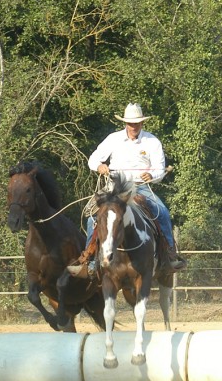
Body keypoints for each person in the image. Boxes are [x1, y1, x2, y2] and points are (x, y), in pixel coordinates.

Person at [74, 103, 186, 274]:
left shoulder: (152, 141)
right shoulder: (113, 139)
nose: (134, 126)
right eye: (130, 123)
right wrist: (99, 166)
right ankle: (89, 259)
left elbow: (159, 168)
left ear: (142, 123)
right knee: (92, 218)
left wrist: (152, 175)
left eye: (137, 123)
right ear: (125, 123)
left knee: (162, 212)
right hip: (115, 187)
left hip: (141, 187)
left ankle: (169, 256)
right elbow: (93, 158)